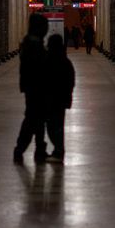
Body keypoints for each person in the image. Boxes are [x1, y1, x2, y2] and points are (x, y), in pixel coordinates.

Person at [13, 13, 49, 164]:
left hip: (34, 86)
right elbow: (37, 66)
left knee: (39, 119)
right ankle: (20, 149)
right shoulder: (33, 44)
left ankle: (39, 149)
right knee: (32, 119)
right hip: (35, 87)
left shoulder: (32, 42)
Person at [44, 33, 75, 164]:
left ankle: (59, 151)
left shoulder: (50, 60)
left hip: (52, 99)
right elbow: (71, 80)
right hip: (61, 99)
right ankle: (58, 150)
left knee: (53, 126)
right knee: (58, 125)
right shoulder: (65, 61)